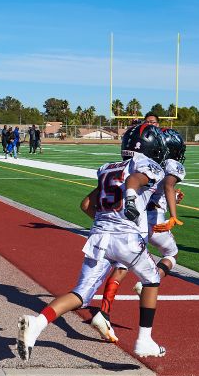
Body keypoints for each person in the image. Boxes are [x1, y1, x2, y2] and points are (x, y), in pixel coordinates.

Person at [17, 124, 170, 359]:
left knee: (80, 294)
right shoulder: (145, 165)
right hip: (126, 238)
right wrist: (129, 200)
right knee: (150, 280)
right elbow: (136, 180)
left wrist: (106, 220)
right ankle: (144, 340)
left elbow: (87, 205)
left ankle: (37, 323)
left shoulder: (108, 168)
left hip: (99, 238)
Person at [100, 129, 186, 322]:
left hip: (136, 219)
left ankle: (104, 310)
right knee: (171, 254)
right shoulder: (172, 165)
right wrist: (173, 214)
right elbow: (168, 186)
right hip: (155, 219)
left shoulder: (146, 163)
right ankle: (149, 281)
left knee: (122, 264)